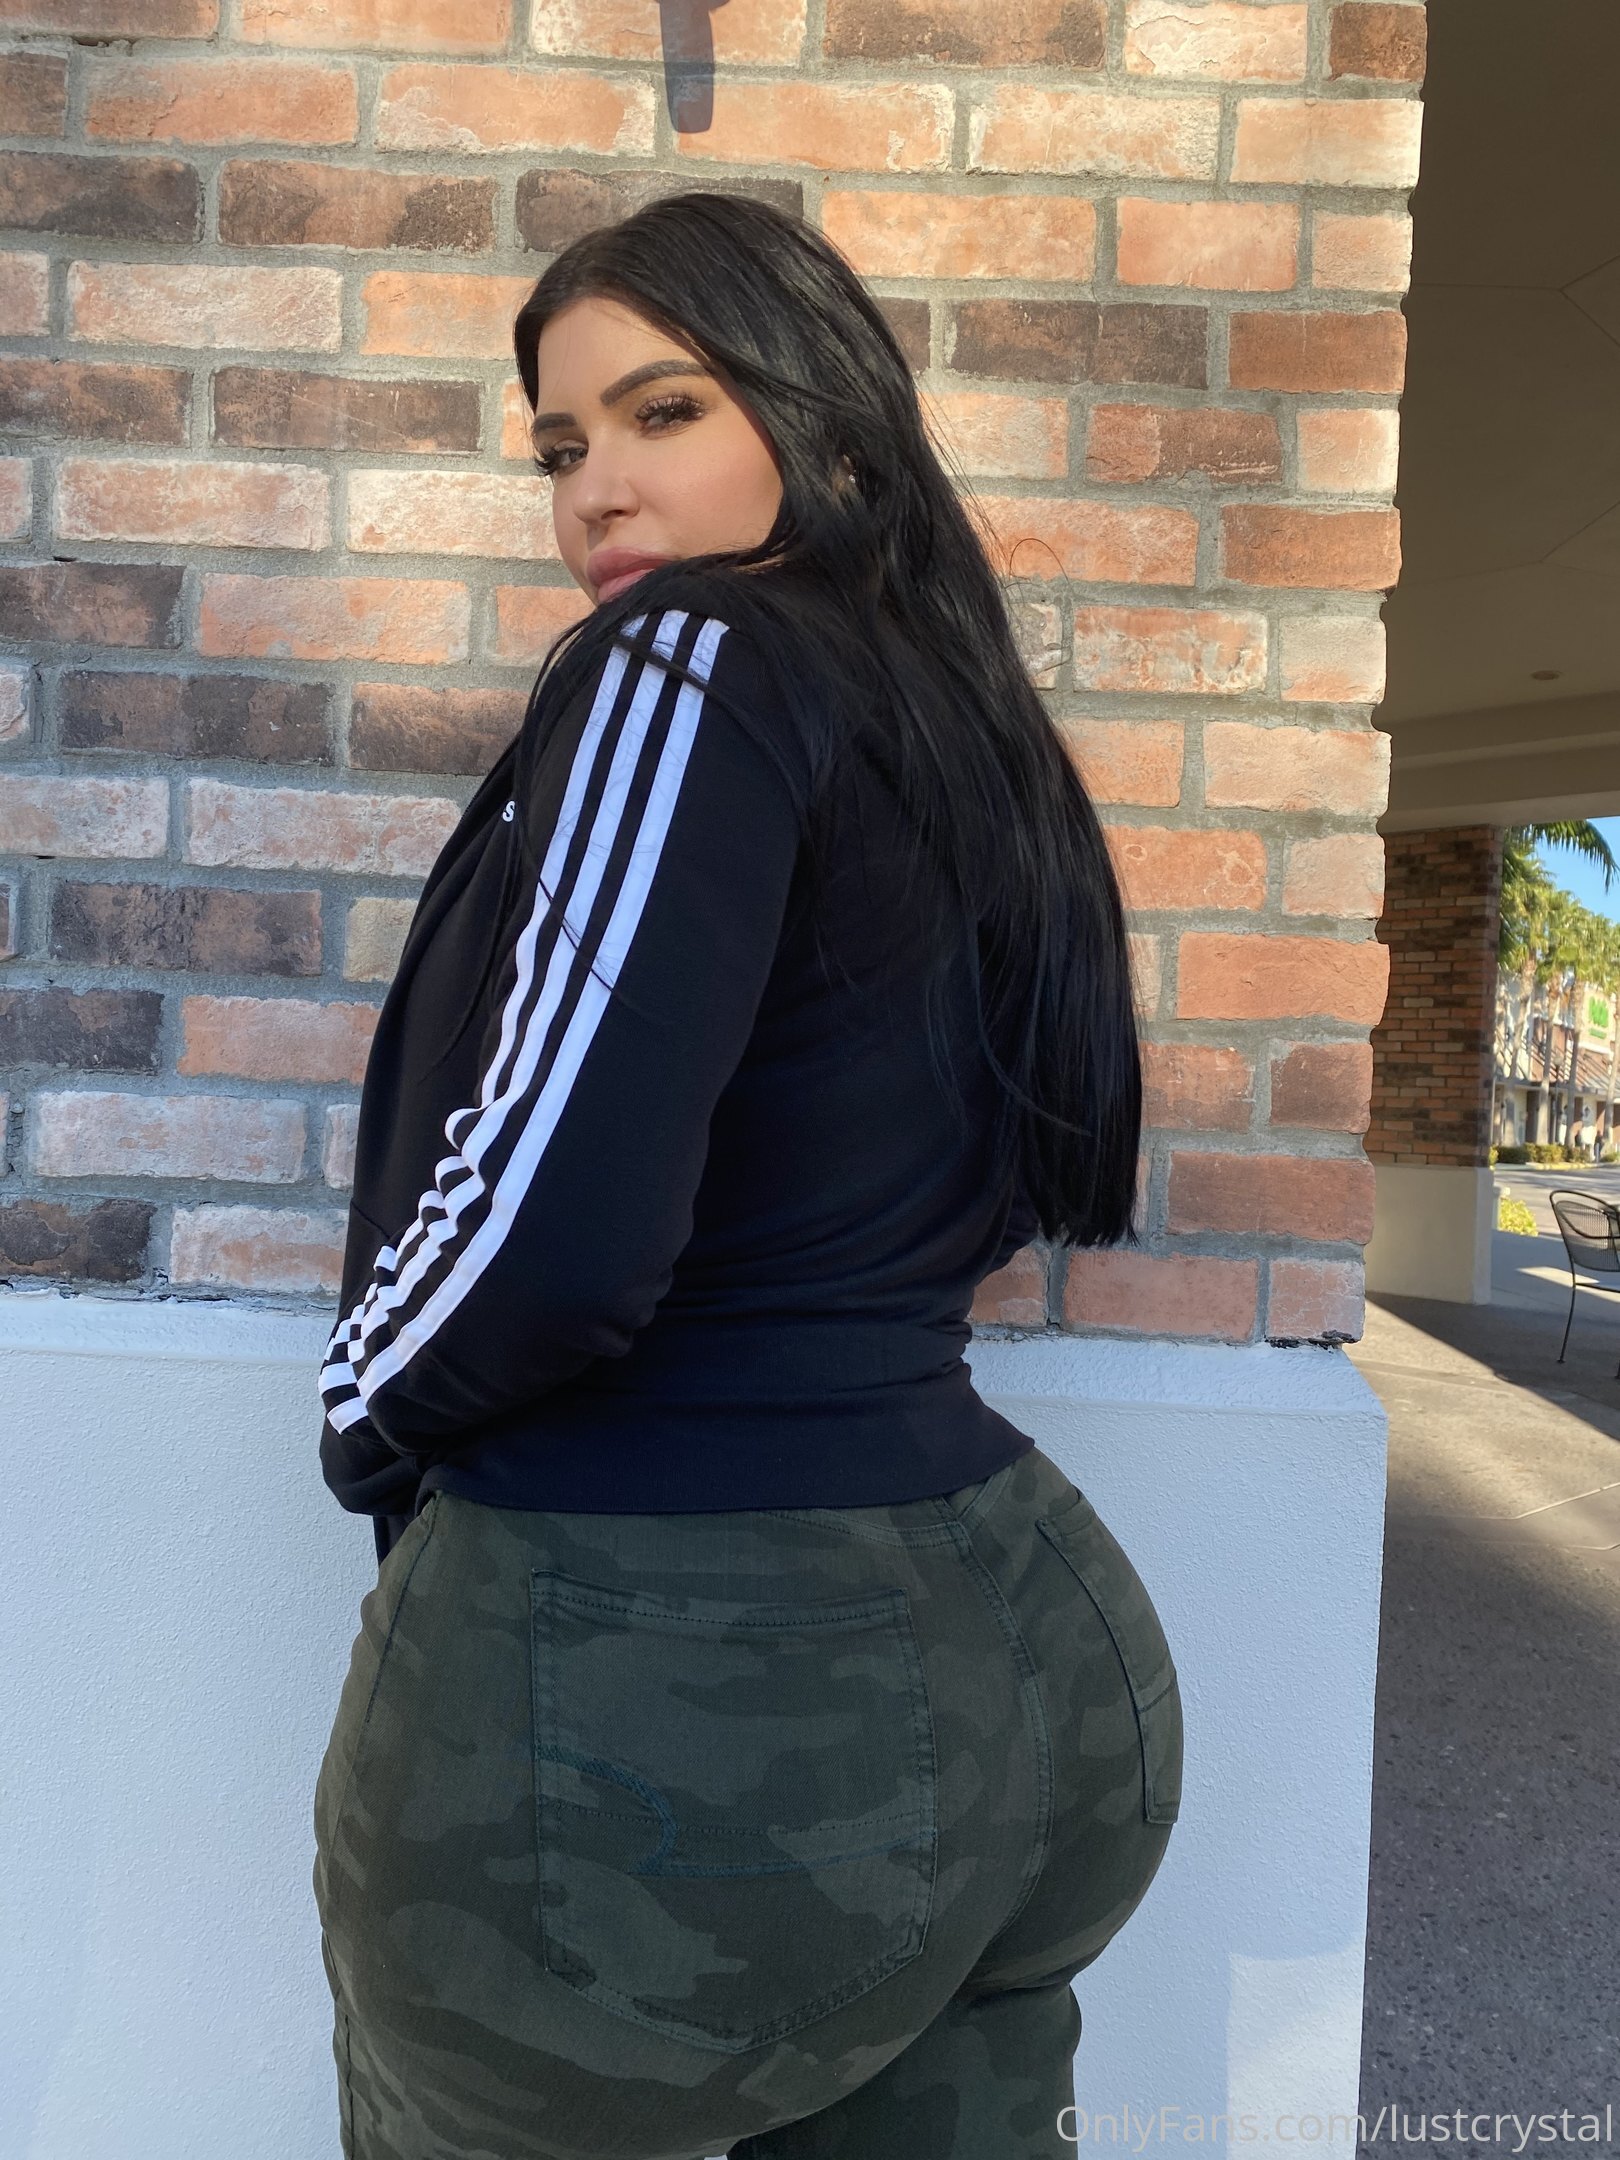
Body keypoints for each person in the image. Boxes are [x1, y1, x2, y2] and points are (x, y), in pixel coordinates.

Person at [311, 190, 1183, 2160]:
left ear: (828, 422)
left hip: (695, 1692)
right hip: (1035, 1653)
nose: (595, 491)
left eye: (662, 411)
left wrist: (366, 1407)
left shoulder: (688, 659)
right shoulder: (954, 716)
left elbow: (551, 1219)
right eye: (559, 447)